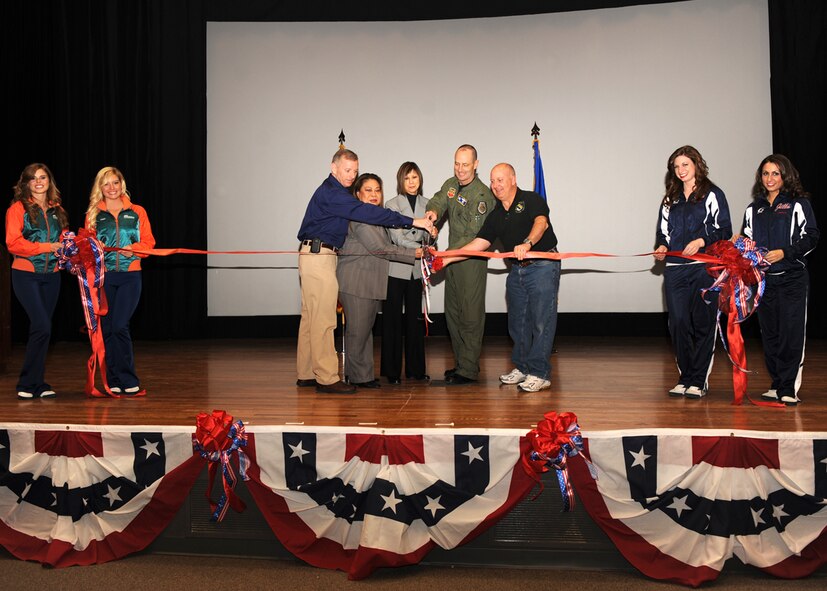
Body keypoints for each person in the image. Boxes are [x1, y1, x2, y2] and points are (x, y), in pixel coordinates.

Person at [296, 149, 434, 394]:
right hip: (319, 256)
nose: (351, 175)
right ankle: (326, 378)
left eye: (355, 171)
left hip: (319, 255)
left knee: (312, 319)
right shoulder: (335, 195)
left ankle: (307, 373)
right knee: (324, 320)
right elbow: (371, 219)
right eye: (347, 170)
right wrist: (413, 221)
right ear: (333, 167)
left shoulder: (337, 193)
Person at [438, 163, 559, 392]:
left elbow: (541, 223)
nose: (495, 185)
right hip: (517, 269)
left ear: (513, 179)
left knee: (541, 322)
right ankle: (523, 367)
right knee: (517, 322)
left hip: (543, 265)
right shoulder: (495, 215)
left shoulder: (531, 199)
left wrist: (528, 243)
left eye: (500, 180)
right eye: (493, 181)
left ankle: (540, 373)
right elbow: (478, 244)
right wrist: (446, 259)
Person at [653, 145, 732, 399]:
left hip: (703, 268)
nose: (680, 170)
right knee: (678, 323)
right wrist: (662, 247)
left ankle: (698, 380)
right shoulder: (669, 199)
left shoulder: (712, 194)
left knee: (702, 323)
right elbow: (662, 233)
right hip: (675, 270)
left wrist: (701, 241)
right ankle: (685, 377)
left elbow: (724, 229)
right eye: (676, 167)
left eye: (685, 164)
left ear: (697, 164)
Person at [742, 154, 818, 406]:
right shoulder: (754, 209)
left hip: (792, 279)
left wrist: (786, 252)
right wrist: (740, 246)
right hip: (764, 283)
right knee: (770, 335)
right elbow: (748, 244)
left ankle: (788, 387)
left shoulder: (798, 204)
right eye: (765, 173)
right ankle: (776, 383)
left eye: (775, 173)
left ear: (785, 176)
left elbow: (811, 237)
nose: (770, 178)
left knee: (790, 334)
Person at [337, 173, 420, 388]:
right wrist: (414, 254)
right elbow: (380, 248)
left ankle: (362, 375)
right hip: (357, 283)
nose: (374, 195)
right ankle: (357, 377)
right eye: (368, 190)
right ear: (357, 194)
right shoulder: (360, 217)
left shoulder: (375, 216)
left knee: (364, 332)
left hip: (369, 283)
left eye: (377, 190)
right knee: (358, 332)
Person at [425, 145, 495, 385]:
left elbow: (475, 237)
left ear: (476, 164)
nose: (460, 169)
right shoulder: (451, 184)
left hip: (470, 261)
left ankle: (469, 369)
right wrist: (432, 213)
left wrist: (448, 256)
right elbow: (438, 200)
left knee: (470, 315)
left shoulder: (482, 196)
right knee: (453, 313)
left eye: (466, 164)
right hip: (451, 260)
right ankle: (460, 363)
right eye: (457, 163)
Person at [85, 166, 155, 396]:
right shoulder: (94, 213)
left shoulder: (137, 211)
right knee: (107, 329)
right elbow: (86, 248)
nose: (112, 188)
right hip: (105, 278)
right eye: (106, 184)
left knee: (120, 325)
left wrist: (133, 250)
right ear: (100, 187)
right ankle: (113, 378)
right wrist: (96, 250)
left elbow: (149, 243)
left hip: (130, 275)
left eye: (115, 182)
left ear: (122, 184)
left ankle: (128, 377)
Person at [5, 163, 68, 399]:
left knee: (42, 330)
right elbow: (13, 243)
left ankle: (37, 383)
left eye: (43, 177)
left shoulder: (57, 210)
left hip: (52, 276)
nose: (39, 182)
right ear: (26, 183)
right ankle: (26, 382)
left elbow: (64, 241)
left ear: (49, 181)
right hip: (26, 273)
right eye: (33, 178)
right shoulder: (17, 209)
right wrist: (46, 247)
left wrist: (73, 253)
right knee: (42, 325)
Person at [380, 162, 431, 385]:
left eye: (415, 178)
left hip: (416, 271)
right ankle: (392, 372)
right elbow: (397, 238)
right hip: (396, 267)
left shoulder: (428, 204)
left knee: (415, 321)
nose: (411, 182)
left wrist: (430, 237)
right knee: (392, 321)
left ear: (420, 180)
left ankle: (416, 370)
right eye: (407, 178)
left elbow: (430, 238)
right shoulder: (391, 205)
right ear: (401, 180)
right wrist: (420, 244)